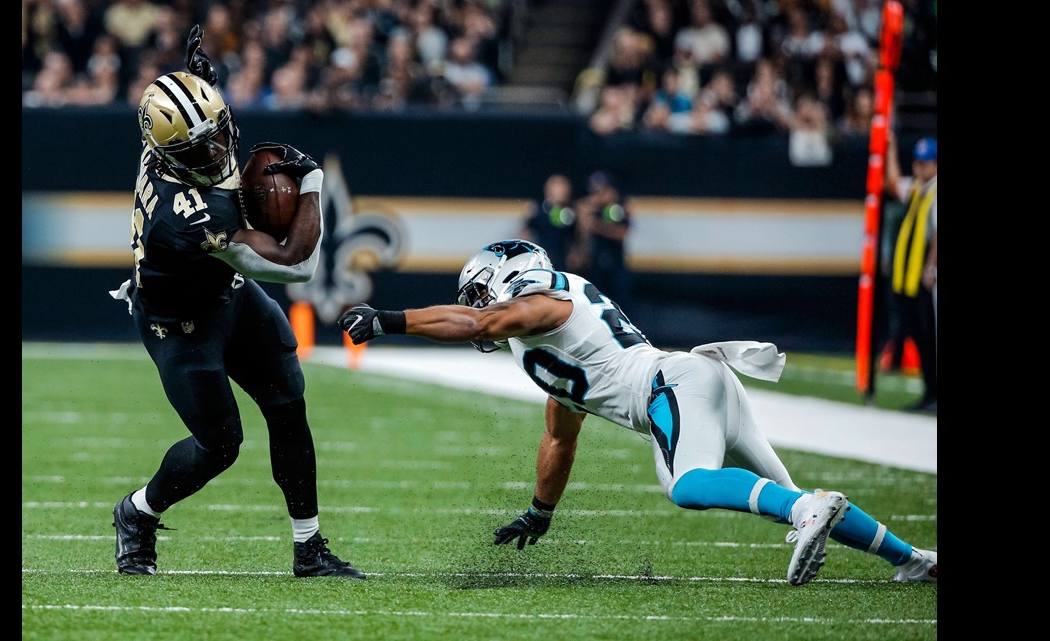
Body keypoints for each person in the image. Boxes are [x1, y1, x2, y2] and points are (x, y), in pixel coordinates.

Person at [337, 239, 937, 586]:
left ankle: (810, 508)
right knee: (790, 499)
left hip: (671, 386)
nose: (476, 307)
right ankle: (912, 560)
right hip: (697, 382)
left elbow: (478, 321)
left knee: (688, 485)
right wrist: (540, 511)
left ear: (504, 279)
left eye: (479, 291)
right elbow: (560, 435)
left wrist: (389, 320)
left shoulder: (544, 301)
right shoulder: (546, 346)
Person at [107, 25, 364, 579]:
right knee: (220, 445)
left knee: (288, 402)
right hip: (178, 324)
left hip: (228, 294)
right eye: (200, 147)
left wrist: (199, 72)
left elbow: (186, 105)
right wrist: (312, 181)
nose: (219, 150)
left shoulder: (171, 136)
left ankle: (309, 548)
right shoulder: (193, 219)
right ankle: (137, 511)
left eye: (218, 133)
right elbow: (299, 264)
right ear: (173, 154)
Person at [885, 134, 937, 413]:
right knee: (918, 334)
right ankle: (930, 390)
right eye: (917, 163)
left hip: (925, 279)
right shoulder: (919, 189)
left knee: (929, 336)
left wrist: (930, 267)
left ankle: (933, 391)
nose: (919, 169)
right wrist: (891, 148)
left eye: (925, 163)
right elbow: (894, 184)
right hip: (909, 277)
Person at [571, 171, 632, 305]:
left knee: (620, 303)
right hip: (594, 264)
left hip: (615, 264)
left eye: (602, 190)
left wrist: (595, 225)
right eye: (594, 192)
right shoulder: (589, 209)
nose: (598, 195)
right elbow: (581, 236)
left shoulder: (618, 207)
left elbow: (621, 233)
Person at [519, 174, 577, 272]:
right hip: (541, 258)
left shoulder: (571, 211)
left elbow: (576, 237)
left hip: (563, 261)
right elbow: (526, 231)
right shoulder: (539, 209)